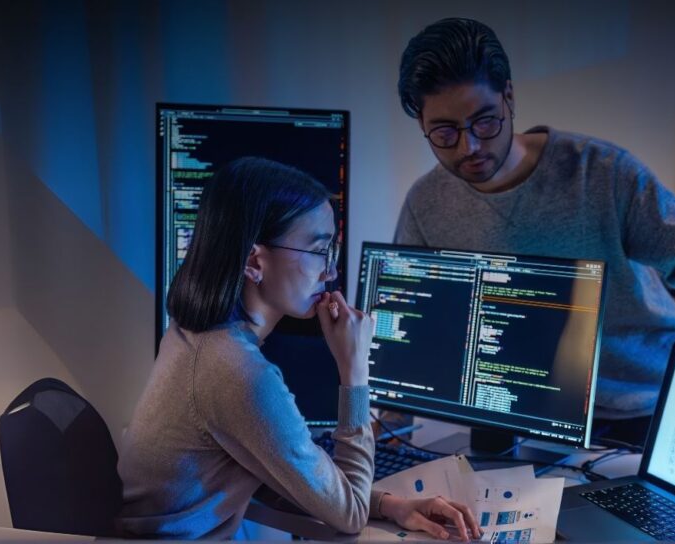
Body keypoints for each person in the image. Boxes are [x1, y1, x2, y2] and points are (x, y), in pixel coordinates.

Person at [393, 17, 675, 445]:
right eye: (446, 132)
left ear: (508, 97)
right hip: (519, 415)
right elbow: (407, 333)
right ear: (423, 126)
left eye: (484, 122)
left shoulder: (601, 173)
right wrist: (384, 440)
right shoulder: (426, 203)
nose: (469, 147)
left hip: (642, 407)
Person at [117, 157, 481, 540]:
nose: (330, 272)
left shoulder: (192, 335)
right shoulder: (239, 374)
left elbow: (280, 473)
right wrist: (355, 370)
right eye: (319, 251)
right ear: (255, 261)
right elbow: (351, 515)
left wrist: (393, 505)